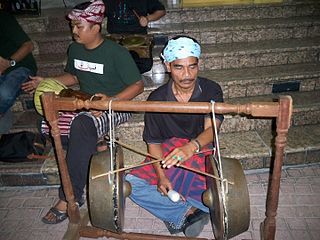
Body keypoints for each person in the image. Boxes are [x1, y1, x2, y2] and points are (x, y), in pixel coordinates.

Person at [22, 0, 144, 224]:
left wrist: (111, 102)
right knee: (49, 121)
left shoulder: (116, 52)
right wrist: (47, 80)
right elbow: (75, 77)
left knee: (81, 125)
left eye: (79, 26)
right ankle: (94, 147)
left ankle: (71, 196)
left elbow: (138, 86)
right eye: (73, 27)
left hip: (116, 105)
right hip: (87, 103)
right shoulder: (75, 49)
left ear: (96, 27)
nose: (74, 31)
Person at [125, 36, 224, 237]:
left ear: (199, 64)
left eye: (192, 67)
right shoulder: (157, 99)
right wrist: (161, 177)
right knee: (130, 184)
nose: (187, 75)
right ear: (167, 65)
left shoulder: (211, 89)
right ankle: (190, 212)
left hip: (199, 147)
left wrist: (190, 147)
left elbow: (212, 130)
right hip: (170, 151)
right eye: (179, 67)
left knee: (215, 190)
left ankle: (183, 212)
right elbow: (153, 143)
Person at [103, 0, 166, 73]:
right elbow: (95, 12)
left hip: (138, 38)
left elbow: (161, 11)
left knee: (145, 64)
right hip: (115, 38)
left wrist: (147, 18)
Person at [0, 11, 37, 133]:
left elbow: (29, 45)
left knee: (4, 93)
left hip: (19, 66)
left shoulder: (3, 17)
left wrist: (8, 63)